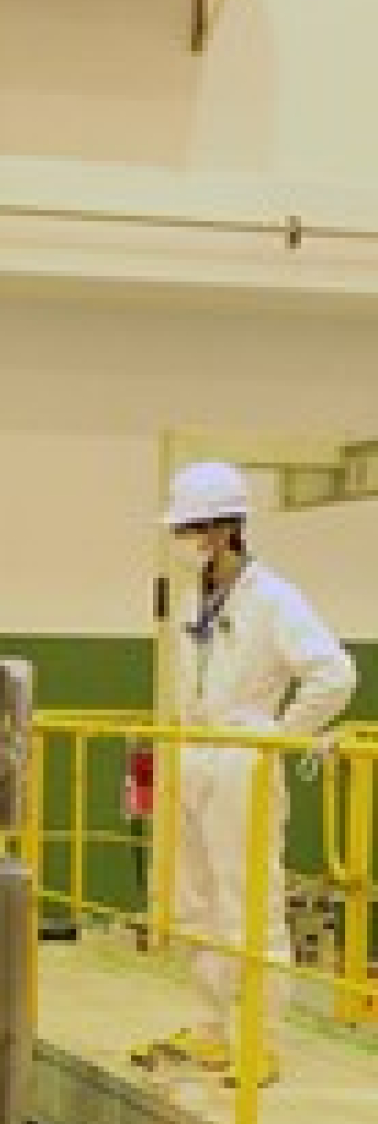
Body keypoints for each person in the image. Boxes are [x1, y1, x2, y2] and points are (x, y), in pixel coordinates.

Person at [132, 460, 357, 1087]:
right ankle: (210, 1030)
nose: (184, 542)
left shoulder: (274, 598)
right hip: (196, 752)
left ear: (226, 528)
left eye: (193, 529)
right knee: (197, 901)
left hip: (241, 760)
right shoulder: (191, 598)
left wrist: (280, 737)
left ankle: (261, 1042)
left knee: (248, 905)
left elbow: (334, 675)